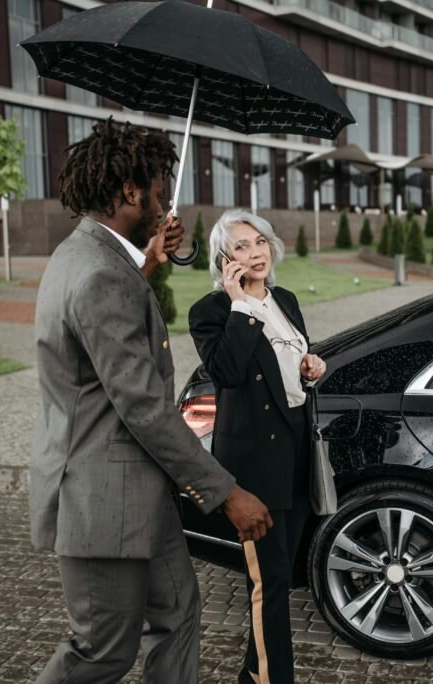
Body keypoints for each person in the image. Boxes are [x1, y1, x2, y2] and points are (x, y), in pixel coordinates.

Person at [30, 120, 273, 684]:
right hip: (101, 497)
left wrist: (147, 261)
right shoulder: (98, 275)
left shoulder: (92, 257)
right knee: (101, 651)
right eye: (159, 189)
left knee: (181, 613)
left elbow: (105, 328)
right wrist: (226, 492)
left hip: (143, 492)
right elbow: (140, 404)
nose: (166, 200)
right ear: (128, 193)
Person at [189, 210, 327, 684]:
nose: (257, 252)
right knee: (267, 584)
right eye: (243, 246)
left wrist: (310, 368)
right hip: (253, 469)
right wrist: (240, 306)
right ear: (225, 260)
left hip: (294, 457)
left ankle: (254, 674)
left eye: (260, 242)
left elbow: (289, 368)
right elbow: (226, 373)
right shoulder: (210, 312)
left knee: (278, 580)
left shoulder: (285, 298)